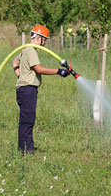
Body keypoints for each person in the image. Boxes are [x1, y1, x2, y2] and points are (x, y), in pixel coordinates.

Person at [12, 24, 70, 154]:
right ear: (38, 38)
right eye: (45, 40)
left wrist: (20, 76)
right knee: (27, 121)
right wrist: (58, 72)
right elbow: (38, 69)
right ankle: (26, 152)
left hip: (23, 89)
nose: (45, 43)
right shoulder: (31, 50)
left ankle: (23, 149)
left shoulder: (25, 49)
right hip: (28, 90)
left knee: (25, 121)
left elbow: (15, 62)